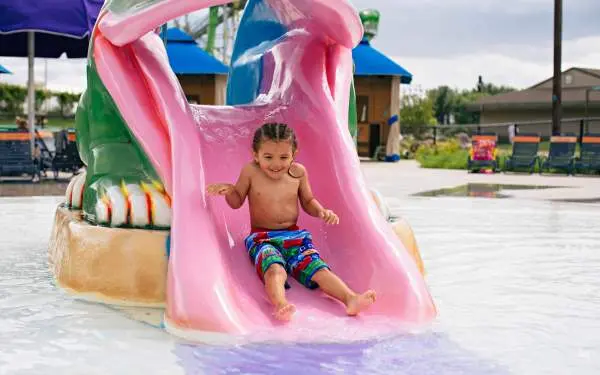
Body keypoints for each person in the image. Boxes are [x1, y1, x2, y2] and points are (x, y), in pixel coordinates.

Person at [206, 123, 376, 321]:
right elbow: (236, 202)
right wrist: (230, 191)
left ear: (294, 153)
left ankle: (350, 298)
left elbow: (308, 201)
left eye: (284, 157)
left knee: (319, 269)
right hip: (263, 239)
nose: (276, 164)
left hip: (295, 237)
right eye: (268, 157)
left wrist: (321, 211)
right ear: (255, 154)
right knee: (274, 270)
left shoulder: (298, 173)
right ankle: (281, 304)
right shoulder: (250, 172)